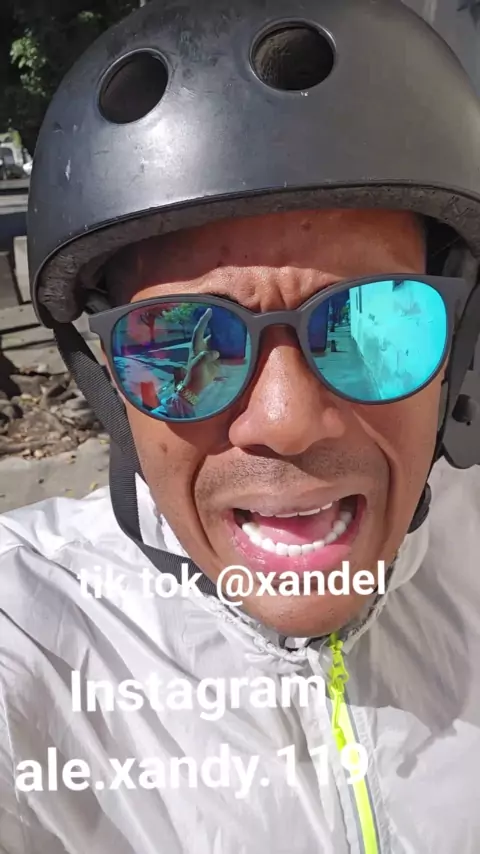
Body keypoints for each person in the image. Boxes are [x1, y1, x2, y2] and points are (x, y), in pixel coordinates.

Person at [2, 0, 480, 851]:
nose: (287, 422)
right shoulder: (34, 628)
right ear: (109, 382)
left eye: (372, 321)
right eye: (182, 341)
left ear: (457, 345)